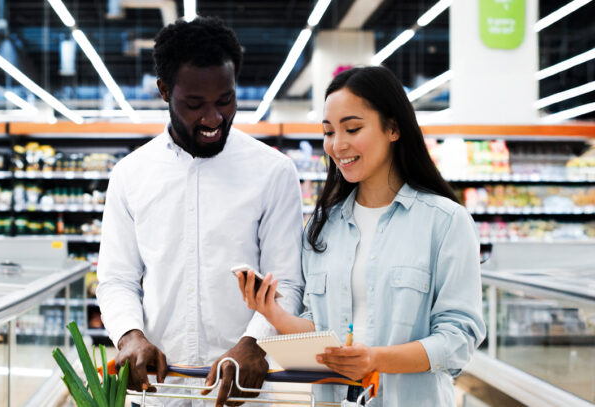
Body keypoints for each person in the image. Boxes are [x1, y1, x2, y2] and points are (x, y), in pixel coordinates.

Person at [237, 66, 486, 406]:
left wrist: (376, 360)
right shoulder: (322, 226)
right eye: (328, 132)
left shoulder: (445, 222)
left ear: (393, 128)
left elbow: (460, 338)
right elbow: (321, 330)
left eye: (352, 128)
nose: (337, 145)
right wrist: (272, 313)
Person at [96, 16, 305, 406]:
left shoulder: (273, 172)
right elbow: (116, 279)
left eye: (225, 101)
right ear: (164, 91)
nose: (213, 119)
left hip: (244, 389)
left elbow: (288, 283)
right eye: (194, 105)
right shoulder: (130, 175)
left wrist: (255, 345)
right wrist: (130, 335)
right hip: (160, 387)